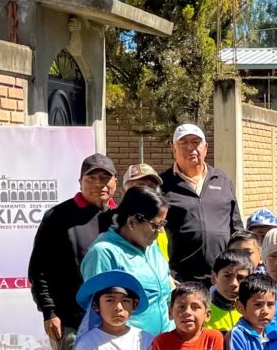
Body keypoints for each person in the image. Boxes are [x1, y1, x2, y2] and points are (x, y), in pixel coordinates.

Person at [28, 153, 116, 350]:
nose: (98, 184)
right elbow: (38, 270)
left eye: (104, 179)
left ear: (113, 184)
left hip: (110, 321)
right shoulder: (58, 217)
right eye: (91, 178)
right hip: (68, 319)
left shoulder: (116, 221)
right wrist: (48, 311)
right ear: (80, 181)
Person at [81, 186, 174, 336]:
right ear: (132, 222)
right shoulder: (103, 253)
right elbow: (98, 313)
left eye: (162, 224)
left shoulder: (153, 246)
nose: (160, 232)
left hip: (162, 345)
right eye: (155, 225)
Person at [160, 122, 244, 284]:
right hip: (180, 279)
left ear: (205, 148)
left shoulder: (222, 180)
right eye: (183, 143)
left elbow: (236, 228)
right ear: (173, 149)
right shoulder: (163, 185)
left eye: (196, 142)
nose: (190, 148)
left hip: (221, 278)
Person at [208, 253, 247, 331]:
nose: (234, 284)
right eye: (227, 276)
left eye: (240, 278)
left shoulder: (251, 310)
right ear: (214, 277)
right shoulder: (203, 311)